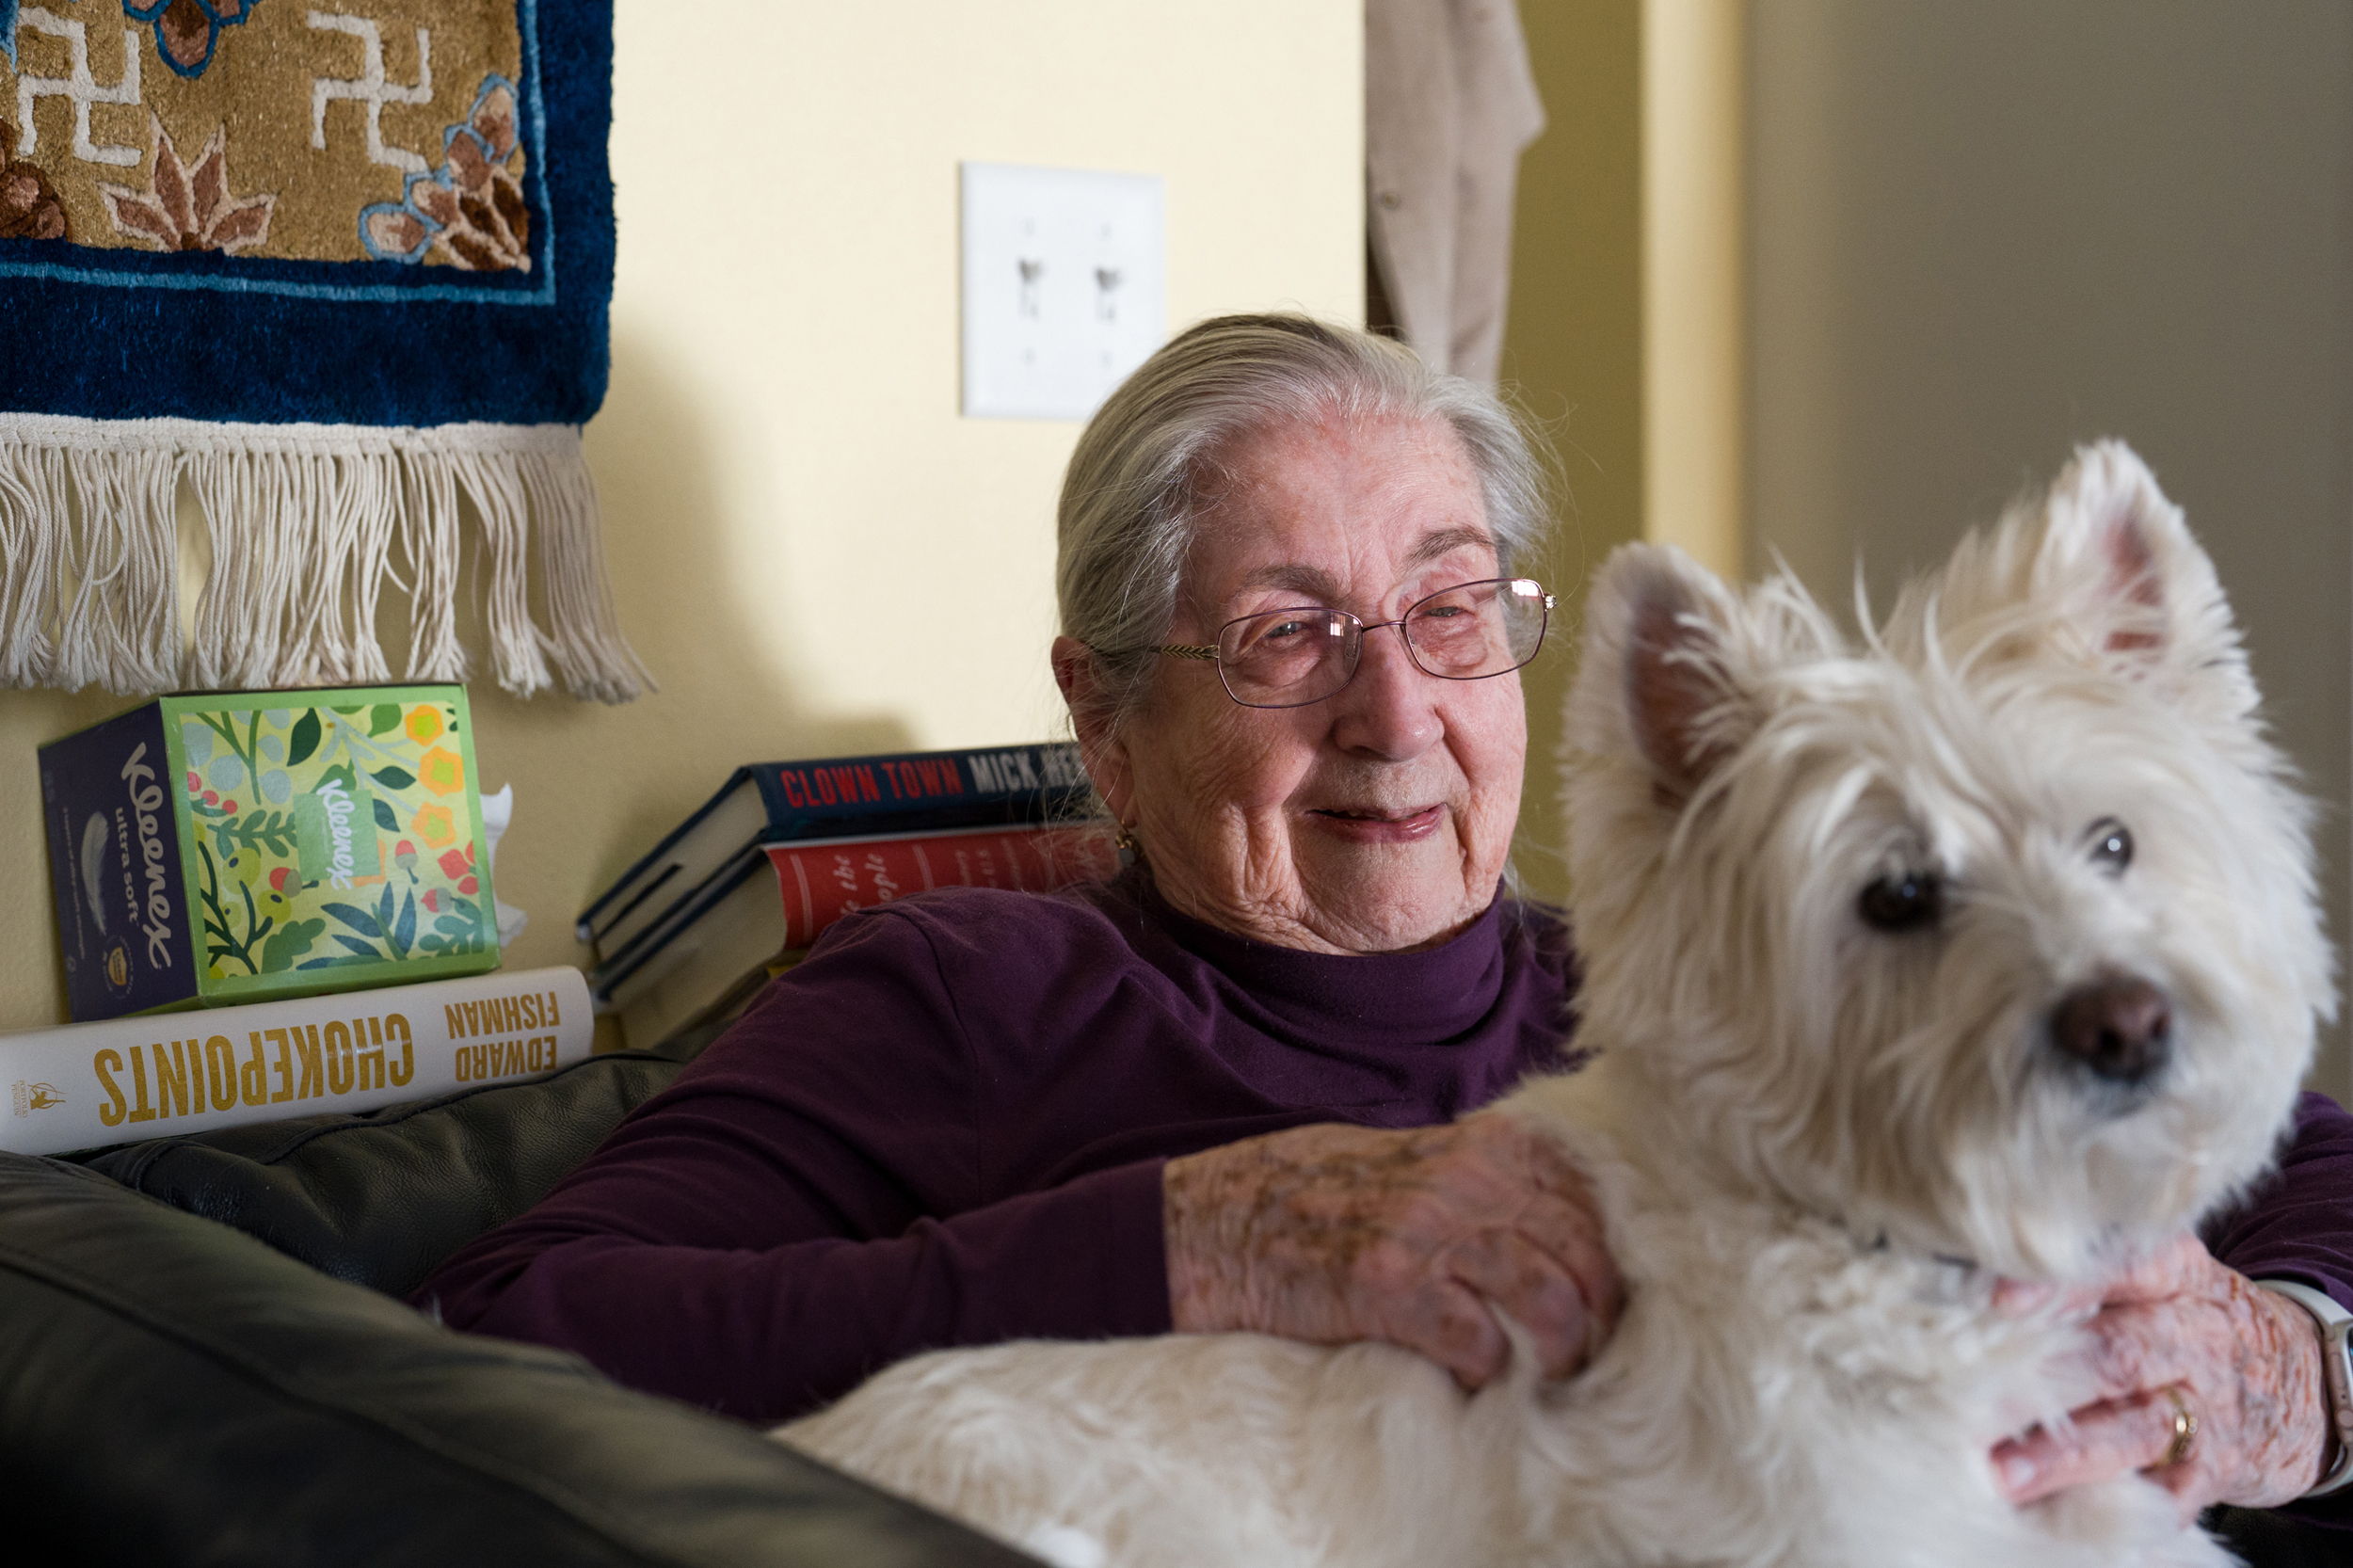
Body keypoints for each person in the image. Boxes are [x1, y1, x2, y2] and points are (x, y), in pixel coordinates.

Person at [416, 314, 2353, 1544]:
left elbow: (2277, 1158)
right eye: (1284, 634)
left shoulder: (1737, 999)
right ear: (1101, 712)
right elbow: (509, 1333)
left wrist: (2291, 1366)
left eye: (1448, 610)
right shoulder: (974, 987)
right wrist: (1187, 1240)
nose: (1394, 711)